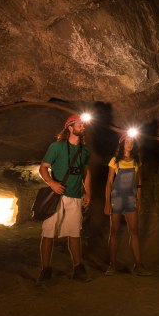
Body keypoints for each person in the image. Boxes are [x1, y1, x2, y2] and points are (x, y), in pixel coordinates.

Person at [36, 114, 92, 285]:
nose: (83, 127)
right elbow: (43, 167)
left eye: (83, 125)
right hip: (57, 196)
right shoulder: (57, 146)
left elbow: (86, 173)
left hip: (75, 197)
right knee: (48, 234)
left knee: (75, 233)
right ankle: (46, 270)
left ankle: (78, 267)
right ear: (70, 127)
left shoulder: (85, 151)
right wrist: (51, 183)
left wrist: (88, 193)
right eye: (80, 125)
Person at [104, 133, 152, 276]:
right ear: (122, 144)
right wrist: (107, 202)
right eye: (127, 142)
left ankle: (138, 266)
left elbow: (139, 182)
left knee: (134, 232)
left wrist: (139, 199)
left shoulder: (136, 161)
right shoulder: (115, 161)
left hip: (131, 198)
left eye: (131, 142)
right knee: (114, 232)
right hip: (117, 198)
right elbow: (109, 182)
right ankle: (112, 265)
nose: (129, 144)